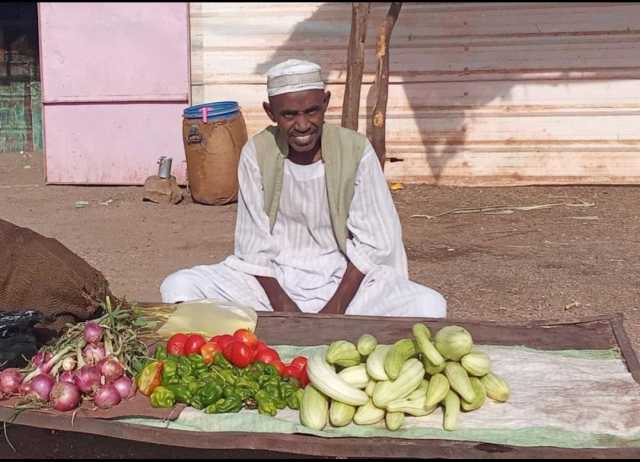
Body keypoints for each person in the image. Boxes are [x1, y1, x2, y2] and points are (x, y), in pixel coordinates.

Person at [160, 59, 446, 317]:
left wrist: (334, 311)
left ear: (325, 103)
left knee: (428, 305)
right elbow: (253, 247)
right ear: (270, 112)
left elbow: (375, 242)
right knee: (179, 286)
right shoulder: (256, 153)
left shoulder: (356, 150)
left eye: (311, 111)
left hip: (345, 280)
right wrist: (285, 308)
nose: (302, 124)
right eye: (289, 115)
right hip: (274, 281)